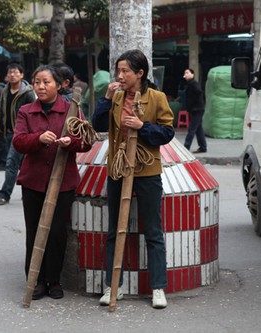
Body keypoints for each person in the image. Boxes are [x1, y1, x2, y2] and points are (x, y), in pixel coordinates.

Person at [92, 49, 174, 309]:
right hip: (118, 169)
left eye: (125, 71)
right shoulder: (115, 97)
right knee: (115, 230)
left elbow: (167, 132)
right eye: (119, 70)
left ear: (140, 73)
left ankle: (158, 287)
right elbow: (99, 126)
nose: (120, 75)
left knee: (152, 231)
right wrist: (105, 99)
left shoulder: (157, 98)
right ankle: (113, 285)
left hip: (147, 171)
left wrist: (143, 127)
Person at [12, 65, 92, 300]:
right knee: (34, 231)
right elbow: (18, 141)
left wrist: (71, 142)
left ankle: (54, 280)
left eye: (46, 82)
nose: (41, 86)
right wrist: (38, 138)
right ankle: (35, 279)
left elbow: (86, 140)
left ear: (59, 85)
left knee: (57, 233)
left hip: (63, 181)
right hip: (33, 181)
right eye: (37, 82)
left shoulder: (72, 109)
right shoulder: (26, 111)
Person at [0, 63, 35, 205]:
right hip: (8, 133)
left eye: (15, 72)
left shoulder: (27, 93)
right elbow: (0, 112)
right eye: (10, 73)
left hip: (22, 134)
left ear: (21, 75)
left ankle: (4, 194)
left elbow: (34, 114)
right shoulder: (4, 91)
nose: (12, 75)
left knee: (11, 163)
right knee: (21, 164)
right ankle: (29, 192)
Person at [182, 68, 207, 153]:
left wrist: (193, 104)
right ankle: (203, 147)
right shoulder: (190, 84)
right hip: (196, 109)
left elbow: (198, 92)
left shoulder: (193, 84)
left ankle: (186, 147)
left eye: (187, 73)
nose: (186, 74)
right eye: (185, 73)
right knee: (198, 129)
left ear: (192, 74)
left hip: (197, 109)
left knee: (192, 129)